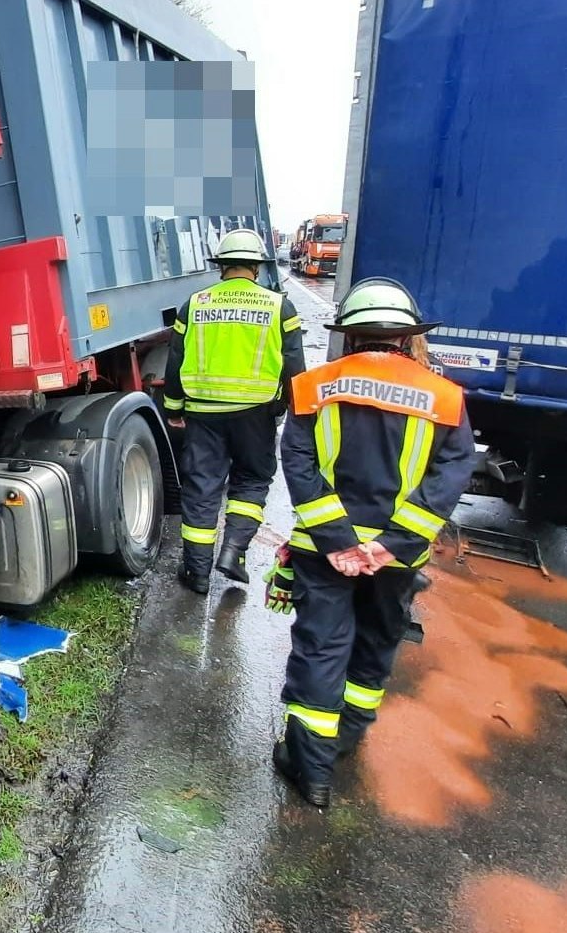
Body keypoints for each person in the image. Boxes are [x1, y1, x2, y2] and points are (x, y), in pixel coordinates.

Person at [265, 278, 477, 807]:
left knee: (321, 649)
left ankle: (311, 772)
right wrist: (391, 545)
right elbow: (450, 475)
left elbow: (299, 463)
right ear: (407, 336)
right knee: (376, 644)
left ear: (350, 334)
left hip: (322, 554)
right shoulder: (446, 398)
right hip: (396, 561)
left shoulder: (313, 386)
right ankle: (347, 738)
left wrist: (337, 540)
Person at [162, 228, 305, 593]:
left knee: (202, 487)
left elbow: (175, 361)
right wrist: (289, 408)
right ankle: (233, 553)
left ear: (221, 266)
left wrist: (174, 408)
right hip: (256, 414)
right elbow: (294, 367)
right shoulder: (279, 307)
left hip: (203, 414)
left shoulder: (194, 305)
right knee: (252, 481)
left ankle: (197, 573)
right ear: (257, 267)